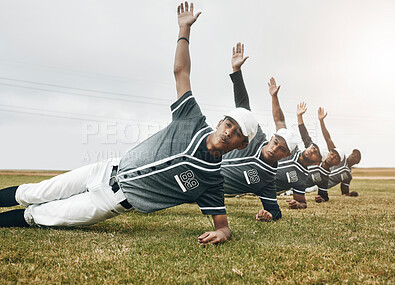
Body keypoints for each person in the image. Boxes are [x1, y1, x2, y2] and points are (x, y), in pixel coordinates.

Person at [0, 2, 259, 245]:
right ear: (220, 121)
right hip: (103, 170)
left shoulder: (212, 181)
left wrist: (222, 233)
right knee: (32, 192)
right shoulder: (191, 118)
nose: (228, 132)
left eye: (236, 134)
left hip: (111, 201)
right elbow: (181, 72)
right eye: (228, 124)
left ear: (241, 145)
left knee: (40, 215)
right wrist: (184, 29)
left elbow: (223, 225)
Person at [221, 43, 298, 222]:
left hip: (207, 185)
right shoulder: (256, 135)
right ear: (271, 138)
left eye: (281, 149)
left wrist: (270, 215)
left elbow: (275, 210)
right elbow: (243, 106)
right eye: (276, 142)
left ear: (286, 155)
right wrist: (236, 71)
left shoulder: (268, 180)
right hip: (203, 159)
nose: (275, 148)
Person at [273, 93, 324, 209]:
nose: (312, 150)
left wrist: (297, 204)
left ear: (317, 163)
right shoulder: (290, 146)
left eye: (316, 152)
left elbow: (303, 203)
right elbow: (279, 121)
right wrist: (274, 96)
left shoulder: (301, 178)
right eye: (313, 147)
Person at [296, 104, 343, 203]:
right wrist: (300, 116)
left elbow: (324, 196)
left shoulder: (324, 177)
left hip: (292, 189)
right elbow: (305, 135)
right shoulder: (314, 153)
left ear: (337, 163)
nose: (332, 156)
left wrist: (321, 199)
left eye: (336, 157)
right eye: (332, 153)